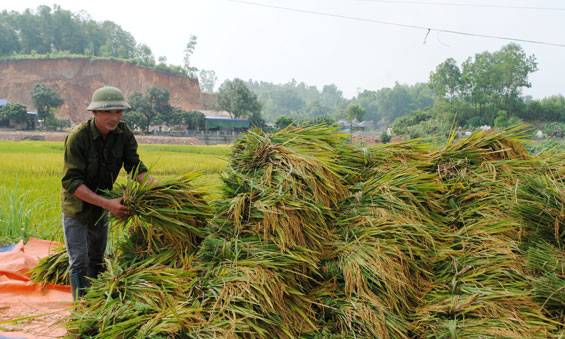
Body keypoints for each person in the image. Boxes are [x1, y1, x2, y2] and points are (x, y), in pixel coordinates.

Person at [60, 86, 154, 300]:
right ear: (94, 113)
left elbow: (134, 165)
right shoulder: (78, 138)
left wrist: (157, 189)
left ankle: (95, 305)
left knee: (97, 259)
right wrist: (108, 203)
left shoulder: (123, 133)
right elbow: (71, 182)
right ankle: (80, 310)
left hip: (102, 208)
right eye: (108, 112)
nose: (115, 117)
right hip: (77, 207)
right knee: (79, 262)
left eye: (118, 112)